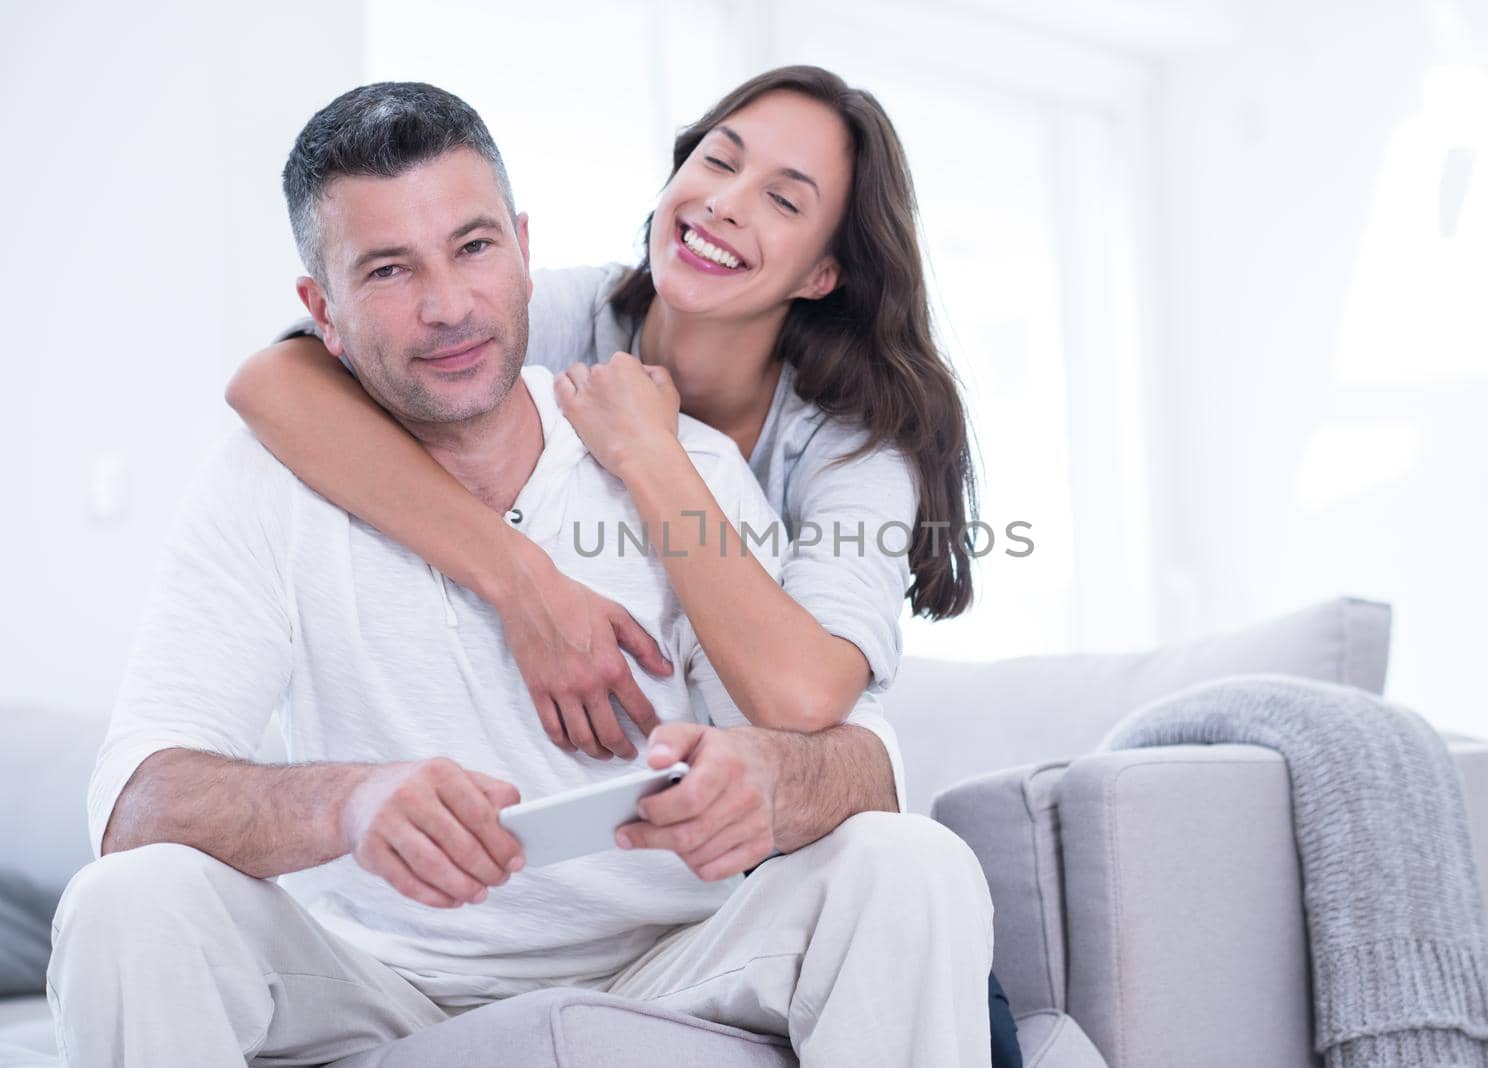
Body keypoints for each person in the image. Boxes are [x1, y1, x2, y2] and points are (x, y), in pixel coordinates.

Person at [46, 82, 993, 1066]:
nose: (449, 306)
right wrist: (349, 801)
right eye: (386, 271)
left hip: (665, 963)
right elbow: (136, 806)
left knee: (910, 864)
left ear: (524, 250)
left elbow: (847, 745)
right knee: (126, 903)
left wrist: (765, 780)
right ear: (320, 313)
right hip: (373, 977)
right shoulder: (268, 477)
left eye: (474, 247)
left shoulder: (760, 459)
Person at [225, 64, 979, 765]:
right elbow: (274, 385)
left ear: (824, 272)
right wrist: (524, 584)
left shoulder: (858, 447)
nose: (723, 202)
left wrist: (650, 454)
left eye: (783, 200)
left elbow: (804, 698)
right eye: (718, 161)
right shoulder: (565, 314)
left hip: (759, 793)